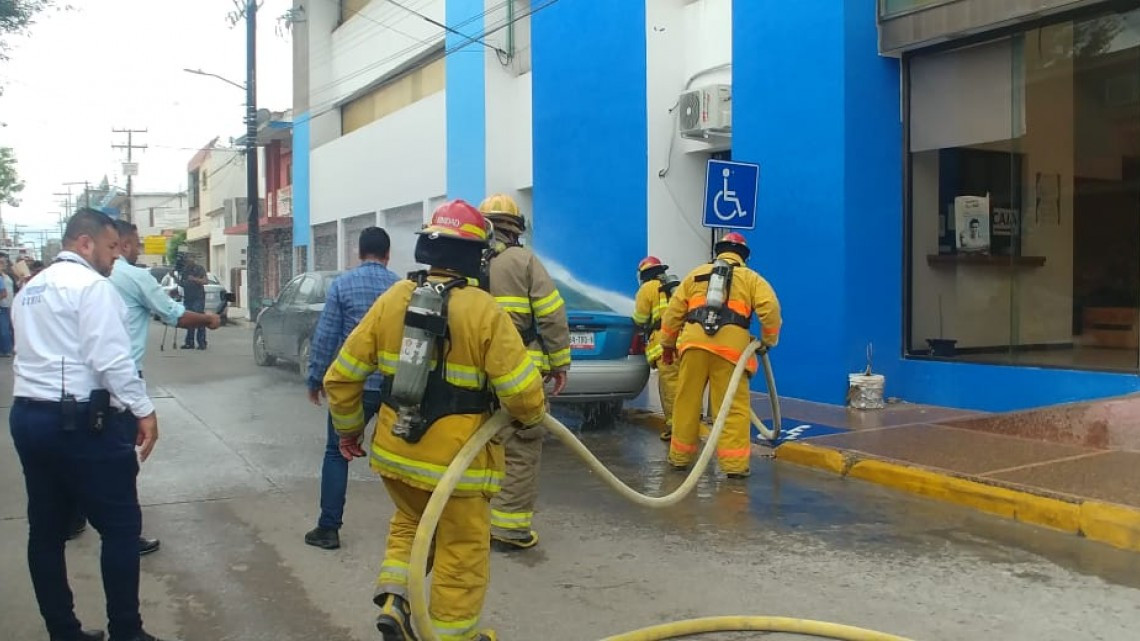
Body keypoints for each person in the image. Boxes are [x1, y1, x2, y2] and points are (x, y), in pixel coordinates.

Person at [324, 200, 546, 641]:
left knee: (411, 524)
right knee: (461, 553)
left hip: (397, 458)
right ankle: (450, 636)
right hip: (458, 468)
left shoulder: (394, 299)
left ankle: (395, 601)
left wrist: (349, 430)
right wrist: (529, 419)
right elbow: (523, 393)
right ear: (476, 257)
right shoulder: (484, 311)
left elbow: (341, 376)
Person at [9, 208, 169, 641]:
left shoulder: (29, 290)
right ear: (85, 242)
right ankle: (126, 631)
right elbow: (110, 359)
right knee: (120, 528)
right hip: (80, 421)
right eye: (111, 246)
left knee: (45, 531)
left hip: (28, 416)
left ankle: (64, 632)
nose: (116, 257)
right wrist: (142, 409)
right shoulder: (91, 287)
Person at [65, 220, 222, 555]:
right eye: (134, 244)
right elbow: (172, 313)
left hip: (78, 388)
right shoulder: (128, 277)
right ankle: (125, 533)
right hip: (120, 381)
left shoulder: (72, 281)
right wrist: (208, 319)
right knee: (123, 461)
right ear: (120, 244)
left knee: (82, 454)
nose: (136, 250)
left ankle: (75, 516)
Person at [478, 193, 570, 551]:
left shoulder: (466, 261)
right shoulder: (523, 261)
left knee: (479, 443)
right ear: (516, 228)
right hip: (519, 370)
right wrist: (559, 363)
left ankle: (473, 519)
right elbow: (550, 315)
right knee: (520, 445)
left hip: (471, 371)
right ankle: (508, 529)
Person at [304, 226, 401, 551]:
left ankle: (328, 529)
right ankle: (414, 527)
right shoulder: (402, 289)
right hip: (393, 389)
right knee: (403, 456)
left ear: (358, 253)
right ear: (387, 255)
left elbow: (326, 335)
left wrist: (315, 379)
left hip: (352, 388)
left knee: (336, 453)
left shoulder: (342, 285)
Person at [659, 232, 782, 479]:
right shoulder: (751, 279)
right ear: (743, 256)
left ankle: (680, 458)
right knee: (733, 408)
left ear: (718, 252)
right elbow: (770, 310)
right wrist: (767, 341)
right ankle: (734, 467)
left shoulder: (695, 274)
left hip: (693, 345)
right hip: (731, 352)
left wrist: (668, 344)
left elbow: (673, 313)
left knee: (686, 402)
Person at [632, 256, 680, 441]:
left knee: (670, 390)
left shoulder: (647, 288)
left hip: (665, 345)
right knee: (685, 386)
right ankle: (689, 423)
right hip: (685, 342)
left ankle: (676, 430)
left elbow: (640, 319)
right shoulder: (673, 285)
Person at [178, 255, 209, 350]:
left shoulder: (199, 269)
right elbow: (182, 283)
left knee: (199, 319)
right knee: (189, 320)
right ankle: (189, 342)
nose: (188, 261)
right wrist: (175, 278)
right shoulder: (185, 270)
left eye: (189, 259)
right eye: (186, 260)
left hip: (198, 297)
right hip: (188, 297)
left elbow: (205, 281)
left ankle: (201, 342)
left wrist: (194, 279)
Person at [0, 253, 13, 357]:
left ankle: (7, 349)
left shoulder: (6, 275)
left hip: (9, 304)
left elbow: (6, 292)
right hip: (4, 305)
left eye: (4, 262)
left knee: (7, 328)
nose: (3, 264)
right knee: (5, 328)